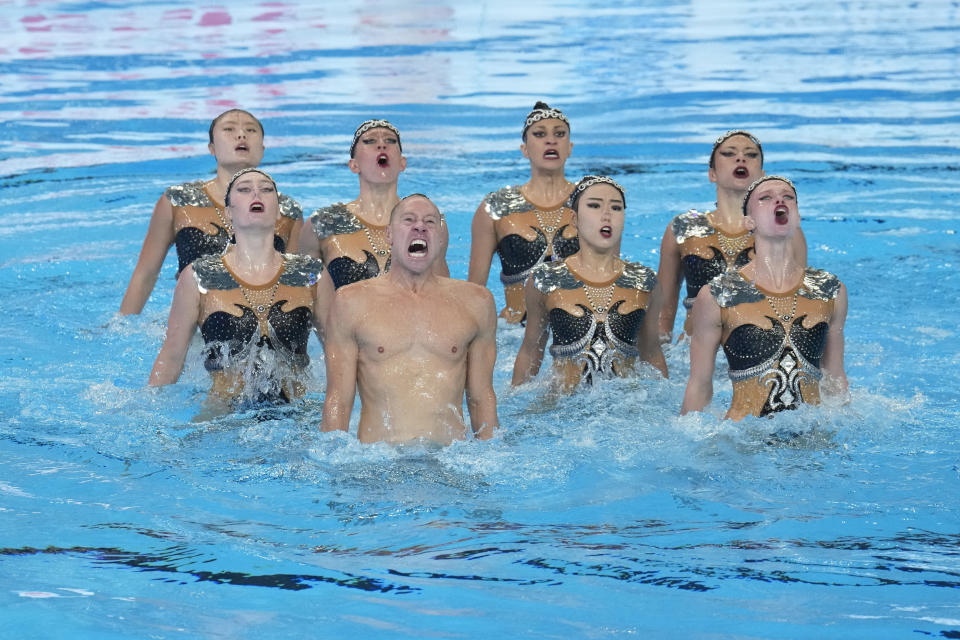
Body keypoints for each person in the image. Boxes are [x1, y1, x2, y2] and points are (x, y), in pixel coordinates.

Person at [321, 194, 498, 444]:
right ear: (389, 236)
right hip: (378, 465)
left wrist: (492, 457)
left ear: (439, 238)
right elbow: (338, 398)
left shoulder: (476, 302)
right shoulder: (351, 303)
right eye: (408, 220)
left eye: (430, 222)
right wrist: (331, 463)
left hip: (450, 462)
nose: (420, 227)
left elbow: (482, 398)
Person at [149, 169, 324, 415]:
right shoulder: (198, 276)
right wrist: (148, 412)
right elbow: (172, 357)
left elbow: (338, 353)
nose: (256, 193)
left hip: (299, 414)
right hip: (225, 419)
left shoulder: (310, 275)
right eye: (244, 189)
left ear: (277, 210)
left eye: (266, 189)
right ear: (228, 213)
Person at [681, 176, 848, 421]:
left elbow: (835, 379)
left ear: (798, 217)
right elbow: (700, 385)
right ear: (749, 222)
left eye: (788, 197)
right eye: (765, 198)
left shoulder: (829, 290)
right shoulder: (719, 295)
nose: (779, 200)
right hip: (745, 445)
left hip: (810, 441)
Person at [120, 109, 303, 315]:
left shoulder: (286, 211)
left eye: (250, 130)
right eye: (229, 129)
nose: (241, 135)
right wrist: (120, 324)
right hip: (191, 327)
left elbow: (294, 286)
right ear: (212, 148)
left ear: (261, 149)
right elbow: (146, 272)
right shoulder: (178, 202)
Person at [512, 176, 668, 393]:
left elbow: (652, 353)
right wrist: (515, 400)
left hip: (626, 409)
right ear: (574, 219)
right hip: (561, 410)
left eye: (616, 208)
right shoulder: (546, 279)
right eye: (594, 206)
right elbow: (531, 350)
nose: (607, 215)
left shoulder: (644, 281)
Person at [656, 130, 806, 341]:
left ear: (762, 175)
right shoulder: (683, 229)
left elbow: (796, 310)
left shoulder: (785, 232)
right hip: (691, 354)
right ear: (712, 173)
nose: (741, 158)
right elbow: (662, 319)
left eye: (751, 155)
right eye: (729, 153)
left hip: (756, 356)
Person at [298, 118, 448, 288]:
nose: (382, 145)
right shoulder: (322, 225)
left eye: (390, 141)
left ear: (402, 163)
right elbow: (307, 300)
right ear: (354, 165)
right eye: (370, 141)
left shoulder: (430, 225)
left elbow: (442, 297)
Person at [468, 102, 580, 323]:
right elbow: (473, 292)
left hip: (575, 335)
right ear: (525, 150)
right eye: (539, 134)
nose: (551, 140)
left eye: (560, 134)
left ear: (569, 147)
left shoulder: (591, 202)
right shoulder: (496, 208)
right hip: (514, 334)